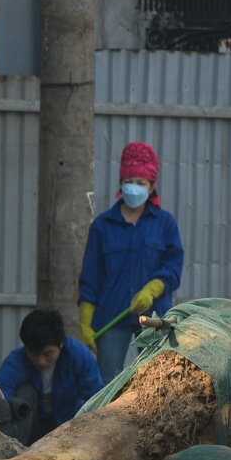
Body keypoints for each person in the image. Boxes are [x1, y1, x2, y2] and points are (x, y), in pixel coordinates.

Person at [78, 141, 184, 381]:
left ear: (152, 186)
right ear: (120, 183)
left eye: (141, 182)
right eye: (129, 181)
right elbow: (91, 275)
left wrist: (152, 289)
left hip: (154, 317)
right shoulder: (102, 226)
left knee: (157, 382)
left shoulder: (165, 223)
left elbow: (173, 267)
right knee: (107, 384)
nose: (133, 188)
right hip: (111, 317)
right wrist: (85, 317)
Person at [0, 307, 104, 434]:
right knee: (24, 392)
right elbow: (1, 398)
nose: (41, 361)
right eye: (34, 354)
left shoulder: (78, 355)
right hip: (31, 428)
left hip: (68, 425)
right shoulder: (16, 361)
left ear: (61, 344)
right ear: (26, 348)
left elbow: (96, 396)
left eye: (48, 354)